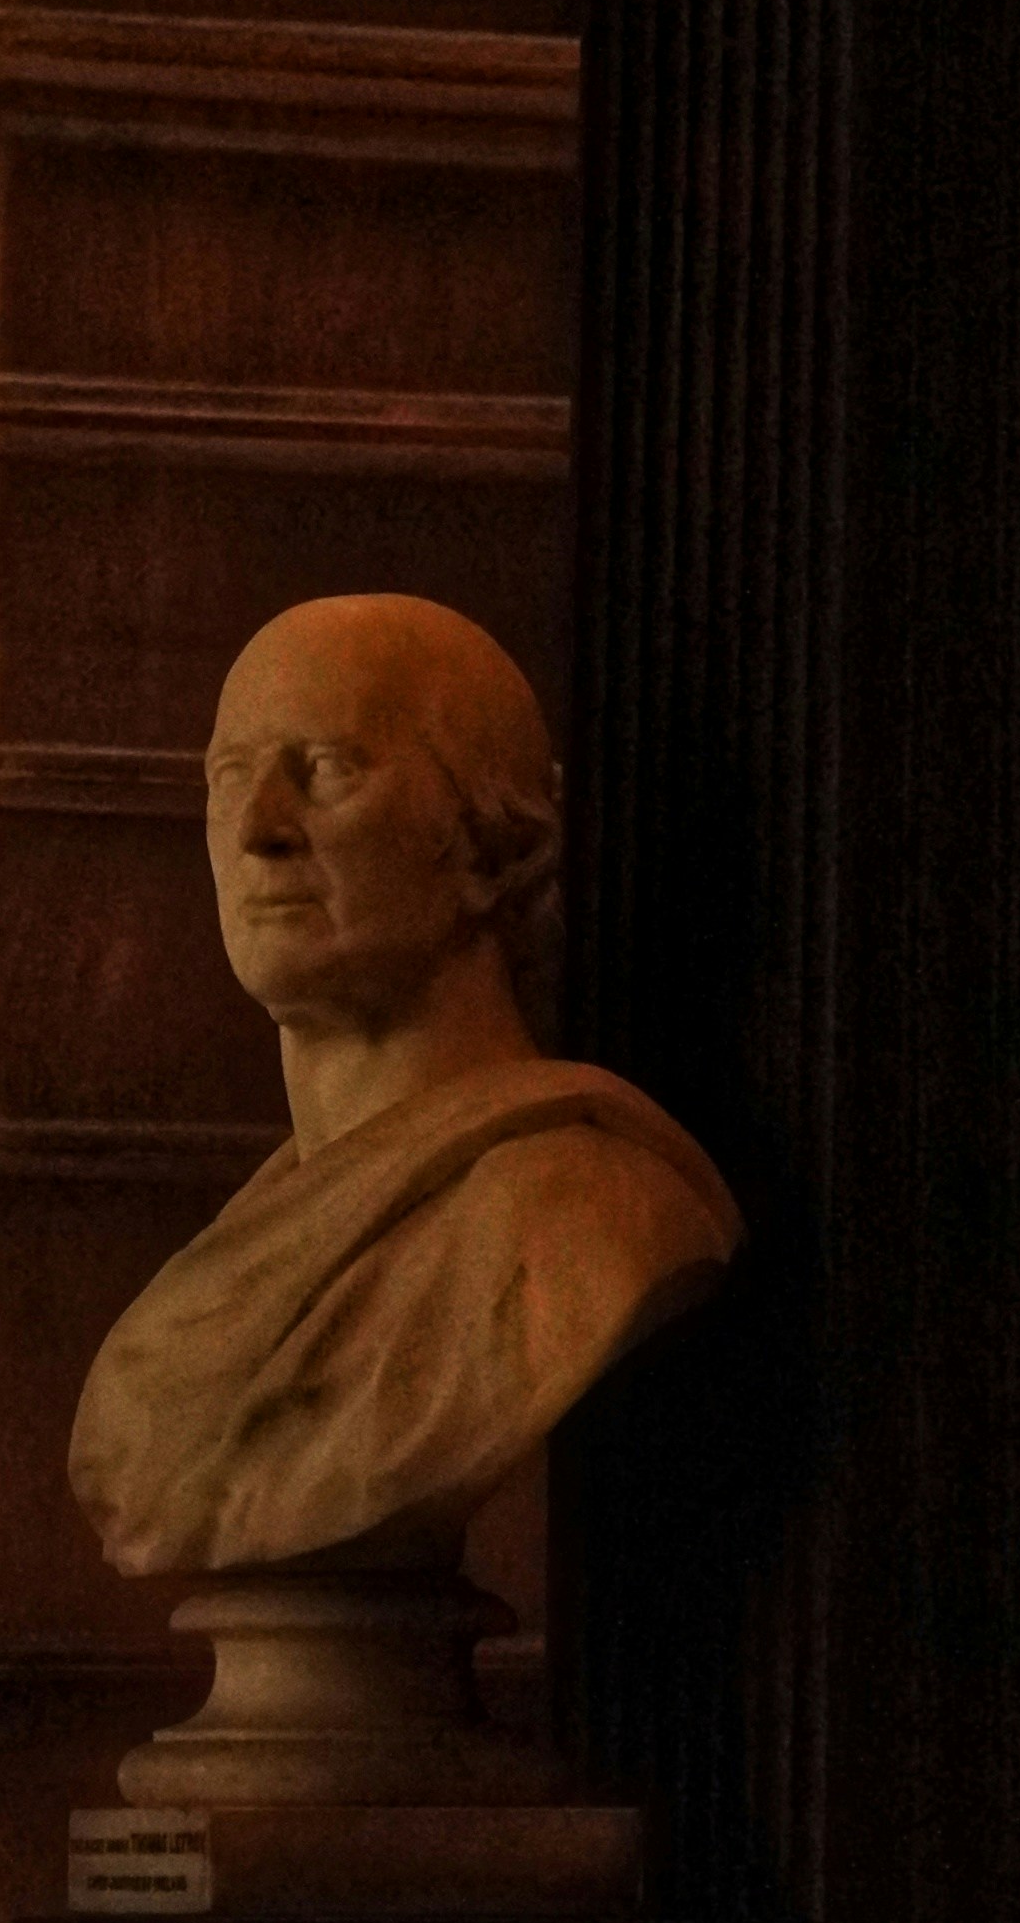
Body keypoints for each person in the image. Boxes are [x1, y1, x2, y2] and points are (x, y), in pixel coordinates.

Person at [69, 592, 740, 1578]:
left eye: (331, 767)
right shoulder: (212, 1278)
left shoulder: (583, 1221)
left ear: (498, 848)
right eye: (228, 774)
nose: (259, 828)